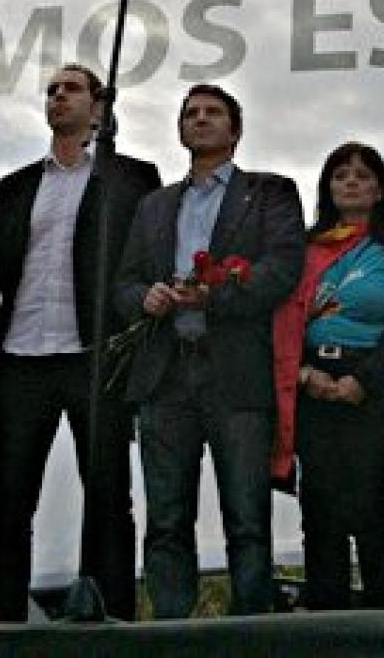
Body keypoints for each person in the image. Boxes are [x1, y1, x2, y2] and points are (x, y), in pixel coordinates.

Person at [113, 84, 304, 617]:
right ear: (179, 129)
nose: (200, 120)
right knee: (166, 520)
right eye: (190, 113)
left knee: (247, 518)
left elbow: (283, 268)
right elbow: (123, 283)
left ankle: (251, 634)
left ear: (236, 129)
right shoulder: (153, 205)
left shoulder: (270, 193)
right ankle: (171, 634)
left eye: (212, 112)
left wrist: (216, 296)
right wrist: (144, 298)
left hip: (237, 375)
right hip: (164, 374)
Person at [0, 64, 160, 622]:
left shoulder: (130, 178)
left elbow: (142, 262)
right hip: (20, 358)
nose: (59, 97)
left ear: (99, 106)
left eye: (72, 89)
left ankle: (112, 622)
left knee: (108, 500)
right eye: (52, 91)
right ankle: (2, 625)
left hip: (96, 360)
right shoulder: (15, 186)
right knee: (8, 506)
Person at [271, 142, 384, 609]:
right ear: (327, 188)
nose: (352, 182)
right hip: (311, 385)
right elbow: (279, 323)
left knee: (371, 509)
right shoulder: (302, 251)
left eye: (362, 175)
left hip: (376, 390)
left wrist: (362, 381)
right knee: (320, 514)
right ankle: (327, 627)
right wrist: (303, 374)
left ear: (380, 188)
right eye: (341, 175)